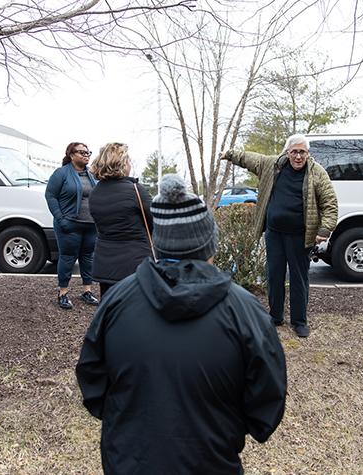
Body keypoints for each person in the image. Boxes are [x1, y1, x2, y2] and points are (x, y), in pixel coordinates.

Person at [76, 174, 287, 474]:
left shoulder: (116, 300)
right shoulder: (245, 310)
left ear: (158, 245)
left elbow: (92, 381)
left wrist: (128, 419)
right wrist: (225, 426)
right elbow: (267, 402)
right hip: (213, 463)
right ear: (209, 246)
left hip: (127, 462)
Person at [221, 134, 338, 338]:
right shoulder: (273, 165)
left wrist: (324, 230)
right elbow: (250, 158)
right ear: (287, 152)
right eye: (295, 152)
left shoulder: (317, 173)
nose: (298, 156)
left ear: (308, 153)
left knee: (299, 279)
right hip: (274, 233)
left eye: (302, 152)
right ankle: (275, 317)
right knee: (274, 275)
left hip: (300, 236)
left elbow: (330, 203)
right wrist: (229, 154)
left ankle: (299, 321)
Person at [88, 143, 153, 297]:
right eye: (128, 160)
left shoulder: (95, 192)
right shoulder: (135, 190)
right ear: (122, 164)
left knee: (110, 307)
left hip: (105, 264)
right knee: (135, 307)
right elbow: (154, 222)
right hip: (134, 263)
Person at [45, 142, 100, 310]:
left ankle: (87, 291)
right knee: (68, 257)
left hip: (90, 225)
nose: (86, 155)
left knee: (88, 257)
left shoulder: (92, 175)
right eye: (82, 152)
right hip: (69, 224)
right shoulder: (61, 173)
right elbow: (50, 196)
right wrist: (60, 219)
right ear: (71, 155)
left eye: (88, 152)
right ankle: (63, 293)